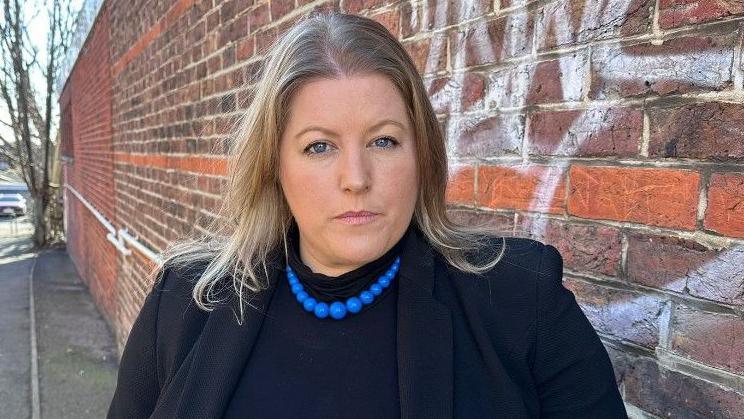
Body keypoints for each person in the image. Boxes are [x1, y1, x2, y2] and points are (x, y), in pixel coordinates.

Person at [107, 11, 627, 419]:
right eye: (318, 147)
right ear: (273, 166)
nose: (356, 178)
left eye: (383, 140)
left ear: (420, 153)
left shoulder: (522, 302)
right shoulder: (185, 301)